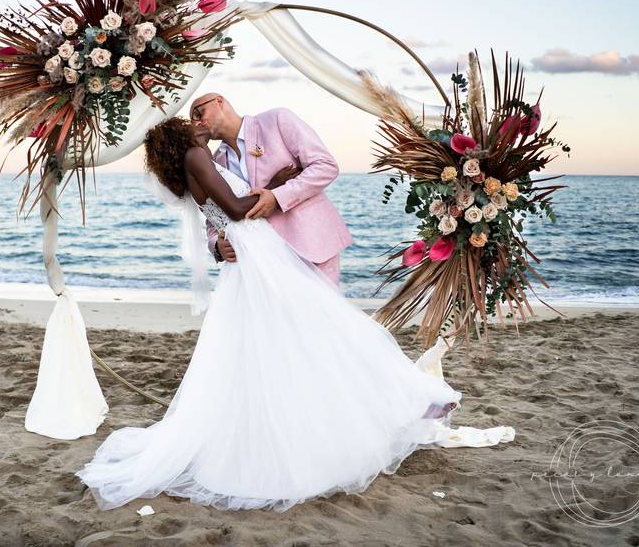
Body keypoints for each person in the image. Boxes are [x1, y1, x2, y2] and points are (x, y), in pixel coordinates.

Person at [74, 116, 462, 513]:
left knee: (283, 343)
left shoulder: (196, 163)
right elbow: (238, 209)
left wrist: (273, 184)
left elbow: (226, 208)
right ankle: (408, 401)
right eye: (189, 124)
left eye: (201, 115)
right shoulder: (198, 156)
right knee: (322, 329)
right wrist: (273, 188)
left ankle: (392, 405)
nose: (198, 124)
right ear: (180, 139)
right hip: (258, 257)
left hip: (253, 258)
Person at [189, 93, 352, 288]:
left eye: (199, 114)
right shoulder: (216, 162)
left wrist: (278, 196)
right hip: (262, 261)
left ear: (219, 101)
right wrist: (217, 245)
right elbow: (214, 217)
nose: (196, 123)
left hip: (312, 247)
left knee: (320, 316)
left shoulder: (277, 120)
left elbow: (325, 166)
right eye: (192, 121)